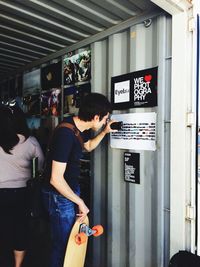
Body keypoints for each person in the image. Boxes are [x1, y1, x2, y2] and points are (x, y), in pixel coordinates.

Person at [42, 93, 116, 267]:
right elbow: (55, 179)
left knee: (71, 244)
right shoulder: (66, 135)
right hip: (59, 197)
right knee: (63, 247)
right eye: (105, 119)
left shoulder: (75, 127)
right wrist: (80, 202)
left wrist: (105, 132)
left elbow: (88, 146)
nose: (105, 121)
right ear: (96, 117)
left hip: (67, 194)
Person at [0, 105, 44, 267]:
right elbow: (41, 166)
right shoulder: (30, 141)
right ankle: (17, 265)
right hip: (22, 194)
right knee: (20, 229)